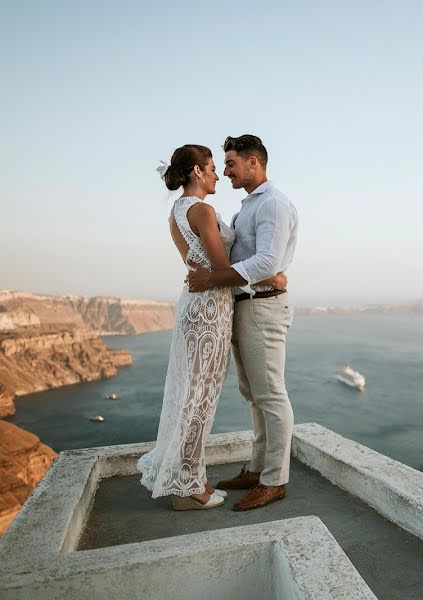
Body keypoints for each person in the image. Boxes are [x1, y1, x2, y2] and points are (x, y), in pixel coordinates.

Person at [137, 144, 286, 510]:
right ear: (195, 173)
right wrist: (272, 278)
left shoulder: (176, 211)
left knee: (190, 392)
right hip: (211, 307)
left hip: (196, 305)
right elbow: (219, 267)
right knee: (200, 397)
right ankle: (189, 488)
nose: (219, 174)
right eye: (212, 168)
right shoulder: (202, 209)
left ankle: (192, 478)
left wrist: (226, 276)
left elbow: (202, 266)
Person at [187, 135, 299, 512]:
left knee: (271, 395)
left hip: (263, 307)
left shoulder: (274, 204)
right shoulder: (247, 208)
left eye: (231, 163)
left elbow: (268, 263)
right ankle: (257, 467)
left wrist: (215, 280)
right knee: (253, 394)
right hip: (244, 305)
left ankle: (274, 480)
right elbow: (257, 264)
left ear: (254, 162)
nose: (227, 171)